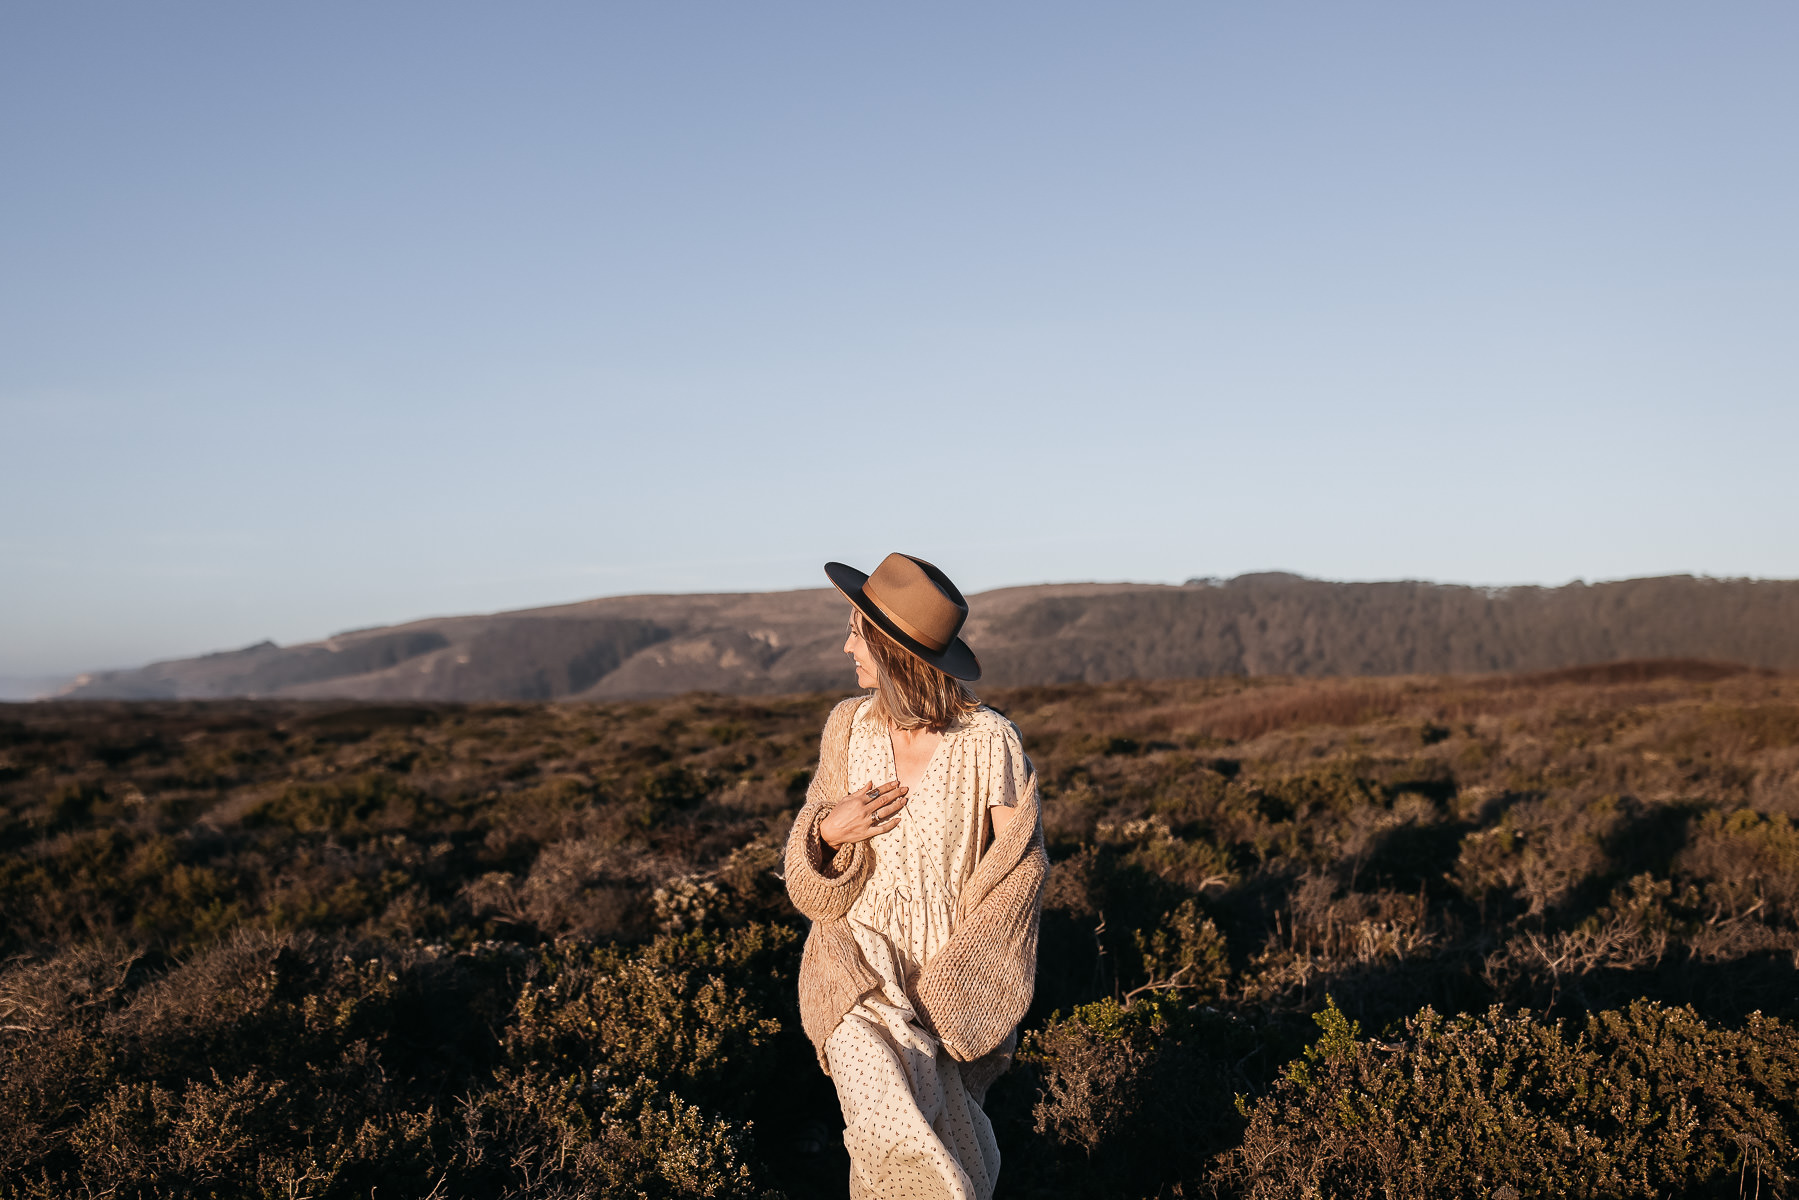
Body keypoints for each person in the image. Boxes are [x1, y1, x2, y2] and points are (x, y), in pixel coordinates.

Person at [784, 552, 1049, 1200]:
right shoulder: (847, 726)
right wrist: (826, 833)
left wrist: (964, 985)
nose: (846, 645)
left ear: (890, 647)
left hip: (945, 980)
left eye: (856, 632)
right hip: (854, 970)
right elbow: (808, 885)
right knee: (889, 1133)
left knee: (943, 1151)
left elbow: (1021, 870)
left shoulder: (989, 741)